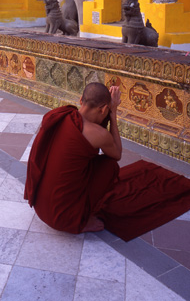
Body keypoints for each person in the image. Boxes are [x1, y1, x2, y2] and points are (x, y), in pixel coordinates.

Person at [24, 82, 122, 234]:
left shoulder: (60, 115)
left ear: (81, 100)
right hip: (63, 219)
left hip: (39, 206)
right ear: (103, 109)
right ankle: (82, 219)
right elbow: (117, 154)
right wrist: (113, 113)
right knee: (110, 166)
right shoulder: (98, 134)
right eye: (107, 109)